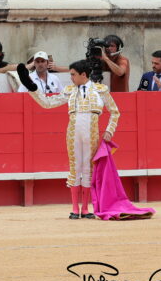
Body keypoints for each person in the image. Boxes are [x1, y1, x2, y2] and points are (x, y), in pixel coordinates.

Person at [17, 59, 119, 219]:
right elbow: (47, 103)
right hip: (73, 132)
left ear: (83, 75)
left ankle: (85, 209)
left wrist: (109, 130)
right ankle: (74, 208)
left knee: (87, 169)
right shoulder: (69, 90)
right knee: (75, 168)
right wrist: (32, 87)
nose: (70, 77)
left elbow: (115, 112)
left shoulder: (101, 90)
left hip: (92, 132)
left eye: (73, 74)